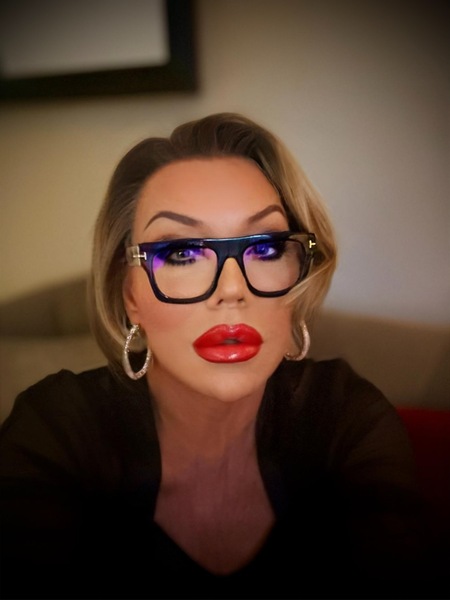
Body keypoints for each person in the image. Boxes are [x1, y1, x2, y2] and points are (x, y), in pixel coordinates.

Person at [0, 113, 438, 600]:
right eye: (182, 253)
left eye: (266, 248)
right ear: (129, 294)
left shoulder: (346, 416)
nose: (232, 290)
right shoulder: (57, 430)